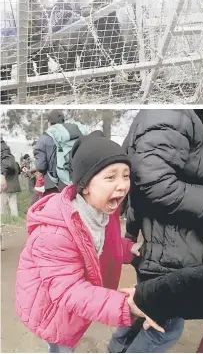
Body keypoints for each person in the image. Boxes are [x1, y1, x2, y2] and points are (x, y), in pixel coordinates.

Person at [15, 132, 160, 353]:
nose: (122, 185)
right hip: (50, 307)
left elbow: (100, 245)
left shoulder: (103, 212)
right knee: (60, 343)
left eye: (125, 175)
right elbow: (68, 290)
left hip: (73, 305)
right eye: (111, 177)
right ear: (85, 186)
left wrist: (128, 248)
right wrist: (125, 305)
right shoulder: (56, 230)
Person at [108, 109, 203, 353]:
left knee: (144, 306)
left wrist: (132, 232)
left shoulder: (166, 116)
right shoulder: (170, 113)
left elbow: (141, 182)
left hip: (163, 244)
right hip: (171, 249)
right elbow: (153, 181)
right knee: (164, 328)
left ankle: (116, 348)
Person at [33, 110, 88, 195]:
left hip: (52, 183)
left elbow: (41, 166)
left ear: (49, 123)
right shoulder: (72, 134)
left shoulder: (45, 137)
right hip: (74, 179)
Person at [89, 0, 124, 68]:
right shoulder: (92, 9)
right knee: (109, 62)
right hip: (107, 39)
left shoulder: (114, 5)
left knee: (112, 62)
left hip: (112, 38)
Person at [1, 138, 21, 217]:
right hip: (15, 186)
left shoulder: (4, 163)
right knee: (13, 204)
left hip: (6, 186)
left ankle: (4, 220)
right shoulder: (15, 163)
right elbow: (19, 172)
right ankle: (15, 219)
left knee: (2, 206)